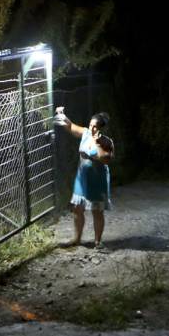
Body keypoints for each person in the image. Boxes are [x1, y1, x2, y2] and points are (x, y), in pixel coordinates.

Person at [54, 106, 114, 249]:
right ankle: (77, 239)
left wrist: (97, 143)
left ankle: (98, 242)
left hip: (97, 181)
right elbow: (70, 126)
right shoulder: (86, 133)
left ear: (102, 129)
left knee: (97, 211)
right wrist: (61, 114)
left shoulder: (107, 142)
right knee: (77, 208)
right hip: (82, 179)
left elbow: (105, 159)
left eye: (95, 127)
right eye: (91, 125)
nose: (92, 129)